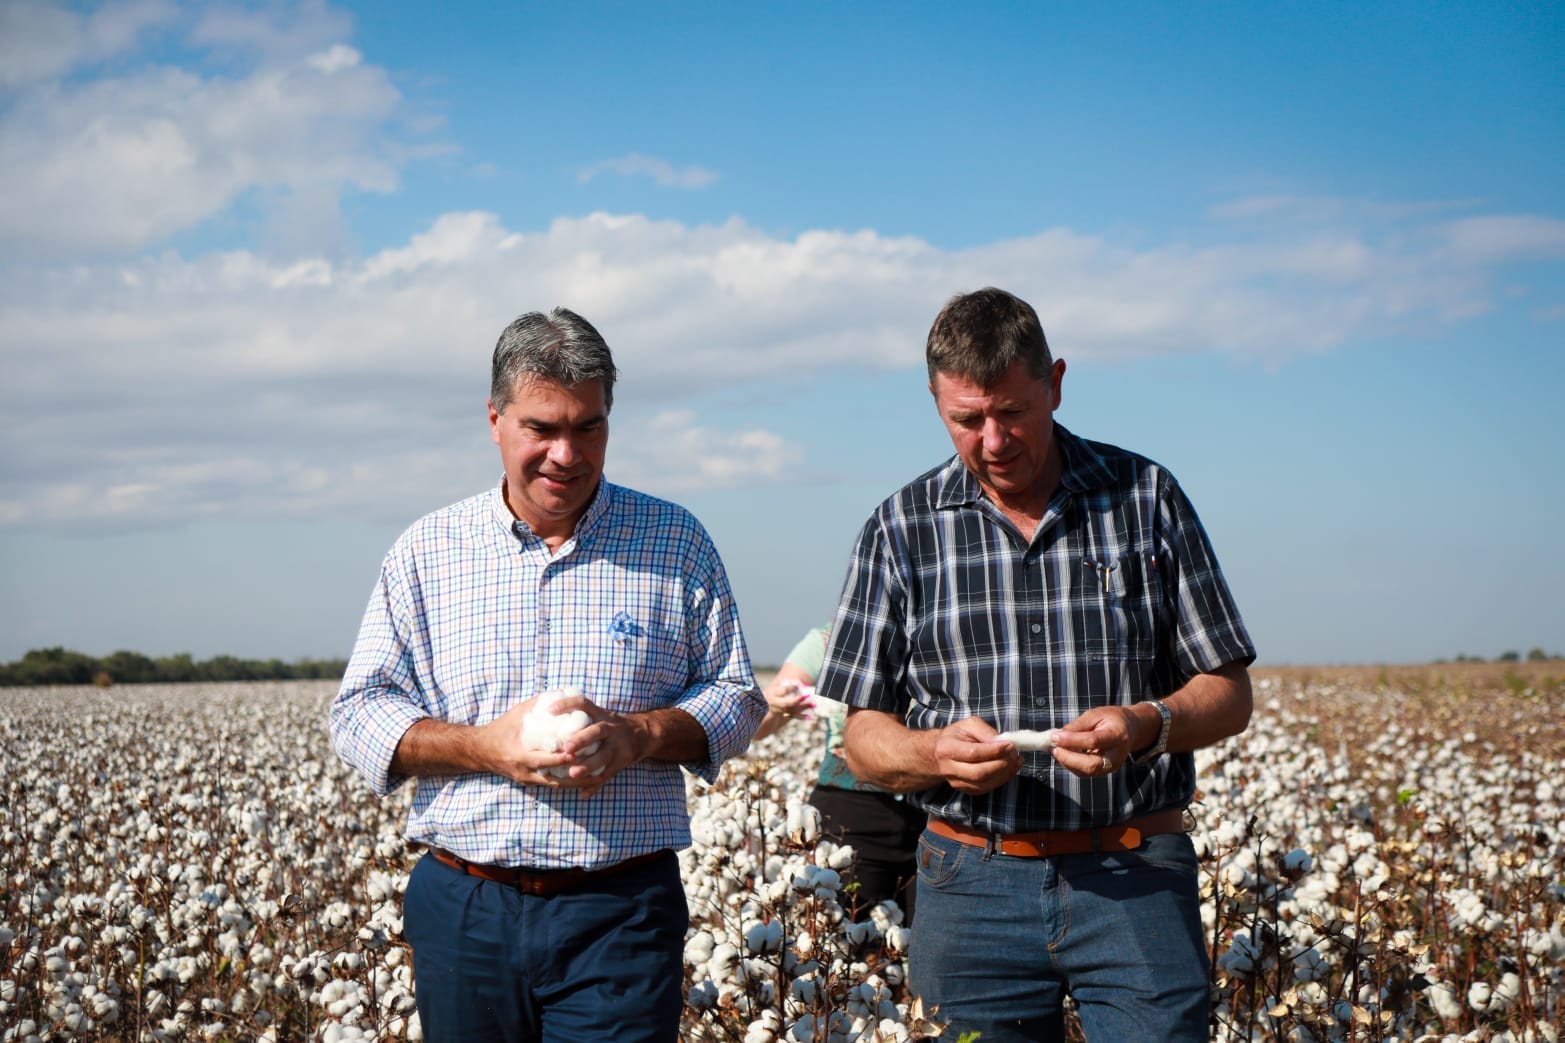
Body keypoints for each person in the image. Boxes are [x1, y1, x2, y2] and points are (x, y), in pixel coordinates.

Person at [817, 287, 1255, 1042]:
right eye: (966, 418)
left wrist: (1144, 724)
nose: (993, 439)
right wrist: (932, 754)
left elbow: (1227, 691)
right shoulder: (897, 528)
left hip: (1134, 871)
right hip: (967, 884)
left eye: (1013, 410)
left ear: (1054, 381)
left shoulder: (1144, 498)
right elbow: (861, 735)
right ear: (933, 402)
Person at [329, 307, 766, 1043]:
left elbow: (733, 695)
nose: (565, 453)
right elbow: (359, 710)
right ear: (495, 419)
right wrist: (485, 747)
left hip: (620, 909)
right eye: (541, 427)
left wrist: (636, 735)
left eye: (587, 426)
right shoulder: (427, 550)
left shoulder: (674, 540)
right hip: (465, 903)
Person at [756, 624, 924, 921]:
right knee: (844, 938)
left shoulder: (942, 636)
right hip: (851, 816)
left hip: (935, 818)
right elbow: (762, 721)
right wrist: (775, 706)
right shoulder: (828, 639)